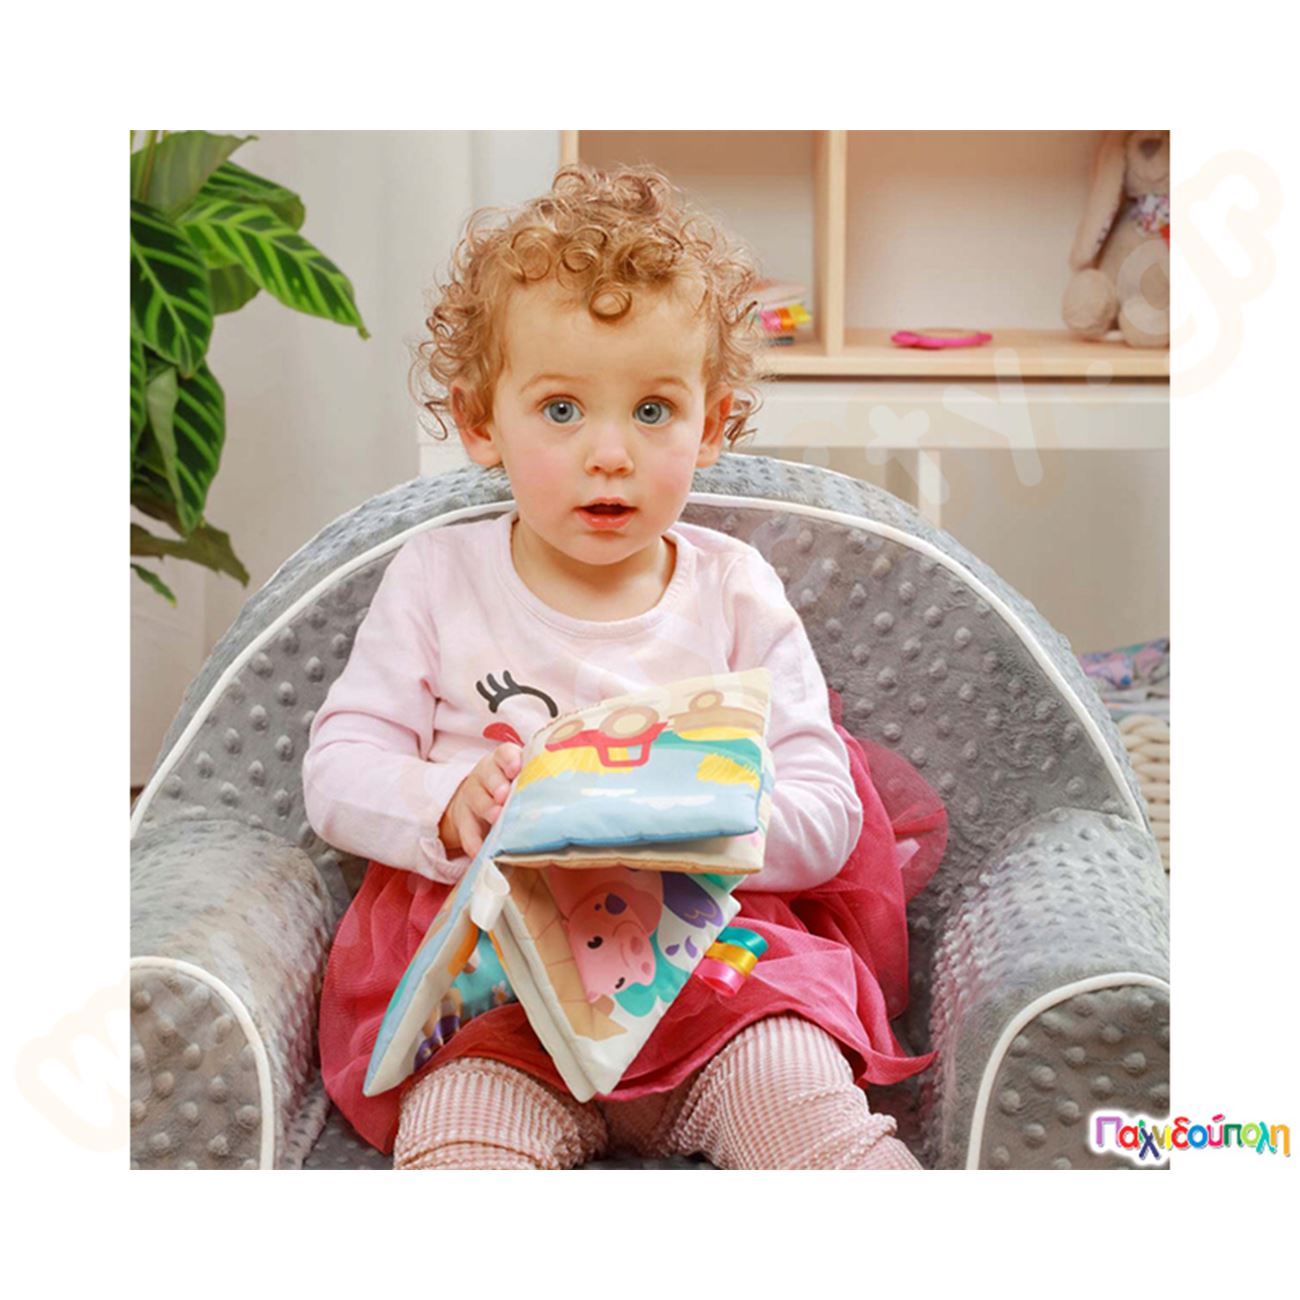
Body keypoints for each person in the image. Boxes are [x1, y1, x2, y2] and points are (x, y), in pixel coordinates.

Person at [303, 162, 931, 1169]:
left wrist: (696, 826)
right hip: (499, 998)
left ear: (710, 424)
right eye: (560, 410)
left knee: (815, 1123)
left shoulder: (734, 588)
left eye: (652, 411)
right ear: (480, 420)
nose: (609, 453)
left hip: (723, 984)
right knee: (457, 1149)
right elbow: (338, 768)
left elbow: (827, 810)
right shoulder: (437, 577)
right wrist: (445, 803)